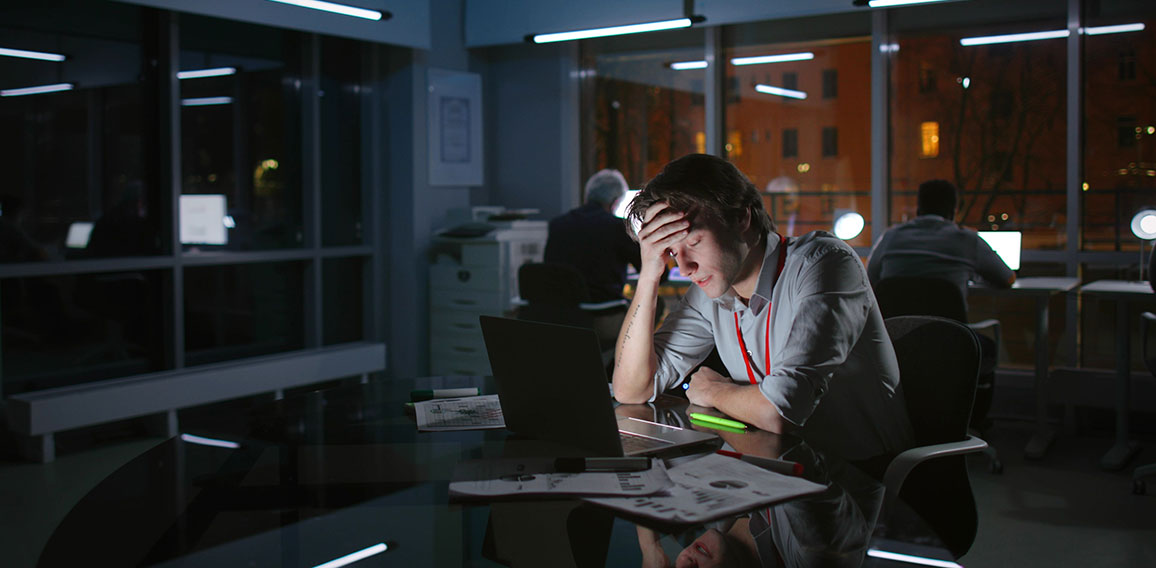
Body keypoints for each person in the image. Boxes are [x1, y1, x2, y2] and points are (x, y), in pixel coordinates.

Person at [613, 153, 912, 463]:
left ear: (741, 218)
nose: (684, 267)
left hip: (861, 479)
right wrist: (649, 273)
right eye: (672, 252)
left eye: (695, 241)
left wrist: (714, 391)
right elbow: (632, 390)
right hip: (778, 470)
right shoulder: (710, 289)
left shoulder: (825, 263)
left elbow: (779, 411)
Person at [544, 169, 646, 347]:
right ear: (616, 202)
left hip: (562, 316)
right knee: (654, 304)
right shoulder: (617, 227)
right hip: (602, 316)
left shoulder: (557, 224)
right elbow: (654, 271)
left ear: (588, 196)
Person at [866, 179, 1015, 300]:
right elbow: (1007, 278)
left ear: (918, 210)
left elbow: (870, 279)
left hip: (897, 333)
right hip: (949, 334)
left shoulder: (890, 237)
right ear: (952, 212)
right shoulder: (967, 240)